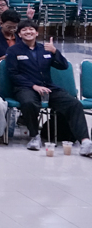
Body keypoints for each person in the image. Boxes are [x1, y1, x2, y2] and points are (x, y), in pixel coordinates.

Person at [7, 21, 92, 155]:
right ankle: (34, 136)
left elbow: (63, 66)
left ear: (36, 33)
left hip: (48, 87)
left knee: (73, 103)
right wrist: (34, 86)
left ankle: (85, 141)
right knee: (29, 103)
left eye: (31, 29)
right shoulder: (13, 51)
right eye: (24, 30)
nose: (28, 32)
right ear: (19, 34)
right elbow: (13, 74)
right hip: (25, 87)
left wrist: (55, 51)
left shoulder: (45, 49)